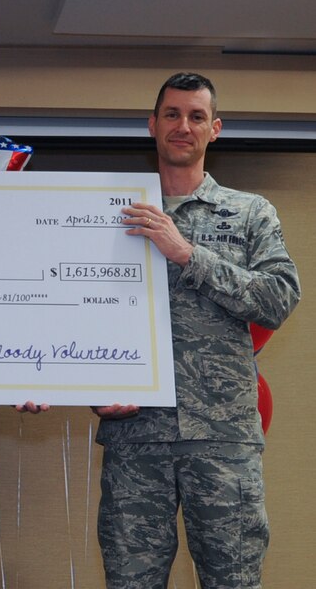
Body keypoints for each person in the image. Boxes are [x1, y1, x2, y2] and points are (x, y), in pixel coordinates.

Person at [93, 72, 300, 588]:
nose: (183, 126)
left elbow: (278, 298)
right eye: (172, 114)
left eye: (196, 116)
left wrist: (188, 254)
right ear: (152, 125)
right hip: (135, 438)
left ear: (215, 129)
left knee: (234, 581)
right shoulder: (107, 214)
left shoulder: (251, 212)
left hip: (223, 438)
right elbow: (76, 310)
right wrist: (91, 389)